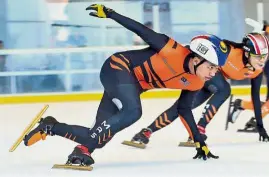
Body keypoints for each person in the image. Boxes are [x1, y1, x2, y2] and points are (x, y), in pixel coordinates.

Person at [23, 4, 229, 165]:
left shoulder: (195, 82)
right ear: (196, 59)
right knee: (132, 111)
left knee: (99, 137)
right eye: (210, 67)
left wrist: (199, 142)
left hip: (130, 86)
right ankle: (83, 149)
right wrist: (110, 13)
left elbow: (184, 109)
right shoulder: (171, 49)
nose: (213, 73)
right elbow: (141, 30)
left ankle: (52, 127)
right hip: (117, 68)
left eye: (216, 69)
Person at [127, 29, 269, 148]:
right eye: (258, 56)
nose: (262, 61)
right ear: (247, 53)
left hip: (211, 81)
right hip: (203, 74)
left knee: (181, 108)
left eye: (265, 56)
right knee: (224, 90)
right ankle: (200, 129)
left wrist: (260, 126)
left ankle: (145, 133)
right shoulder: (231, 51)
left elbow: (255, 97)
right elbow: (200, 49)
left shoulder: (257, 71)